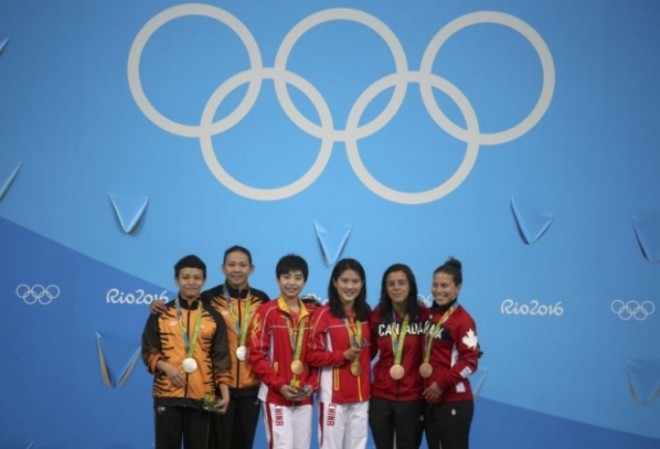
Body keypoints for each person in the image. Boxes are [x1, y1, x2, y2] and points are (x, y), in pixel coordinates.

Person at [150, 245, 270, 449]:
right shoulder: (208, 299)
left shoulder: (262, 300)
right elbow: (183, 311)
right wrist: (157, 305)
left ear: (252, 268)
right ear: (223, 268)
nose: (237, 269)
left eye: (242, 265)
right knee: (214, 443)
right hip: (214, 388)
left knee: (244, 443)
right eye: (231, 264)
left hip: (251, 387)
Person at [141, 254, 231, 449]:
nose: (191, 282)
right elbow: (148, 351)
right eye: (186, 277)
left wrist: (224, 394)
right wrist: (167, 368)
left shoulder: (213, 317)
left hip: (203, 397)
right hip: (167, 395)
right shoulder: (161, 313)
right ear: (176, 279)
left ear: (204, 280)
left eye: (197, 278)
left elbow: (221, 358)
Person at [248, 254, 317, 449]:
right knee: (282, 446)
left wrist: (312, 385)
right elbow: (257, 354)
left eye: (298, 277)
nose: (292, 283)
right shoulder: (266, 312)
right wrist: (279, 385)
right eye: (286, 277)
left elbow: (317, 356)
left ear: (305, 281)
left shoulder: (312, 315)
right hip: (276, 395)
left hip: (304, 396)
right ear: (277, 279)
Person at [307, 258, 372, 449]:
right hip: (333, 396)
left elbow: (372, 350)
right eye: (344, 281)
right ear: (335, 282)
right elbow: (311, 355)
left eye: (355, 281)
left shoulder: (367, 313)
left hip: (361, 395)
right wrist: (342, 356)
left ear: (362, 284)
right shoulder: (323, 314)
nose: (350, 286)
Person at [421, 257, 480, 449]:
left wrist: (442, 383)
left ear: (458, 288)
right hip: (431, 400)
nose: (438, 290)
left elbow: (471, 361)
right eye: (435, 285)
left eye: (445, 285)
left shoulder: (464, 320)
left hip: (454, 400)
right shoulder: (430, 316)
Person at [369, 263, 426, 449]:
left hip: (413, 397)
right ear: (385, 288)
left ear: (411, 285)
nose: (396, 288)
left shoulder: (424, 315)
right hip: (381, 396)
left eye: (401, 283)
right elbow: (367, 353)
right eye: (391, 283)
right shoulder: (377, 316)